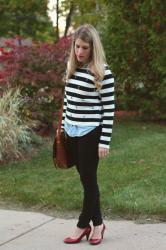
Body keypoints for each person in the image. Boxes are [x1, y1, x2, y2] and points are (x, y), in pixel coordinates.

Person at [61, 24, 115, 245]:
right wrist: (64, 128)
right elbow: (67, 101)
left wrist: (104, 142)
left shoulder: (103, 73)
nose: (79, 52)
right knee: (86, 180)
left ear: (94, 48)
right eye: (77, 46)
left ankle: (83, 225)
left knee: (89, 180)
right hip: (71, 132)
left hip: (91, 132)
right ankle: (99, 224)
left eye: (85, 48)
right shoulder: (72, 68)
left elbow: (109, 110)